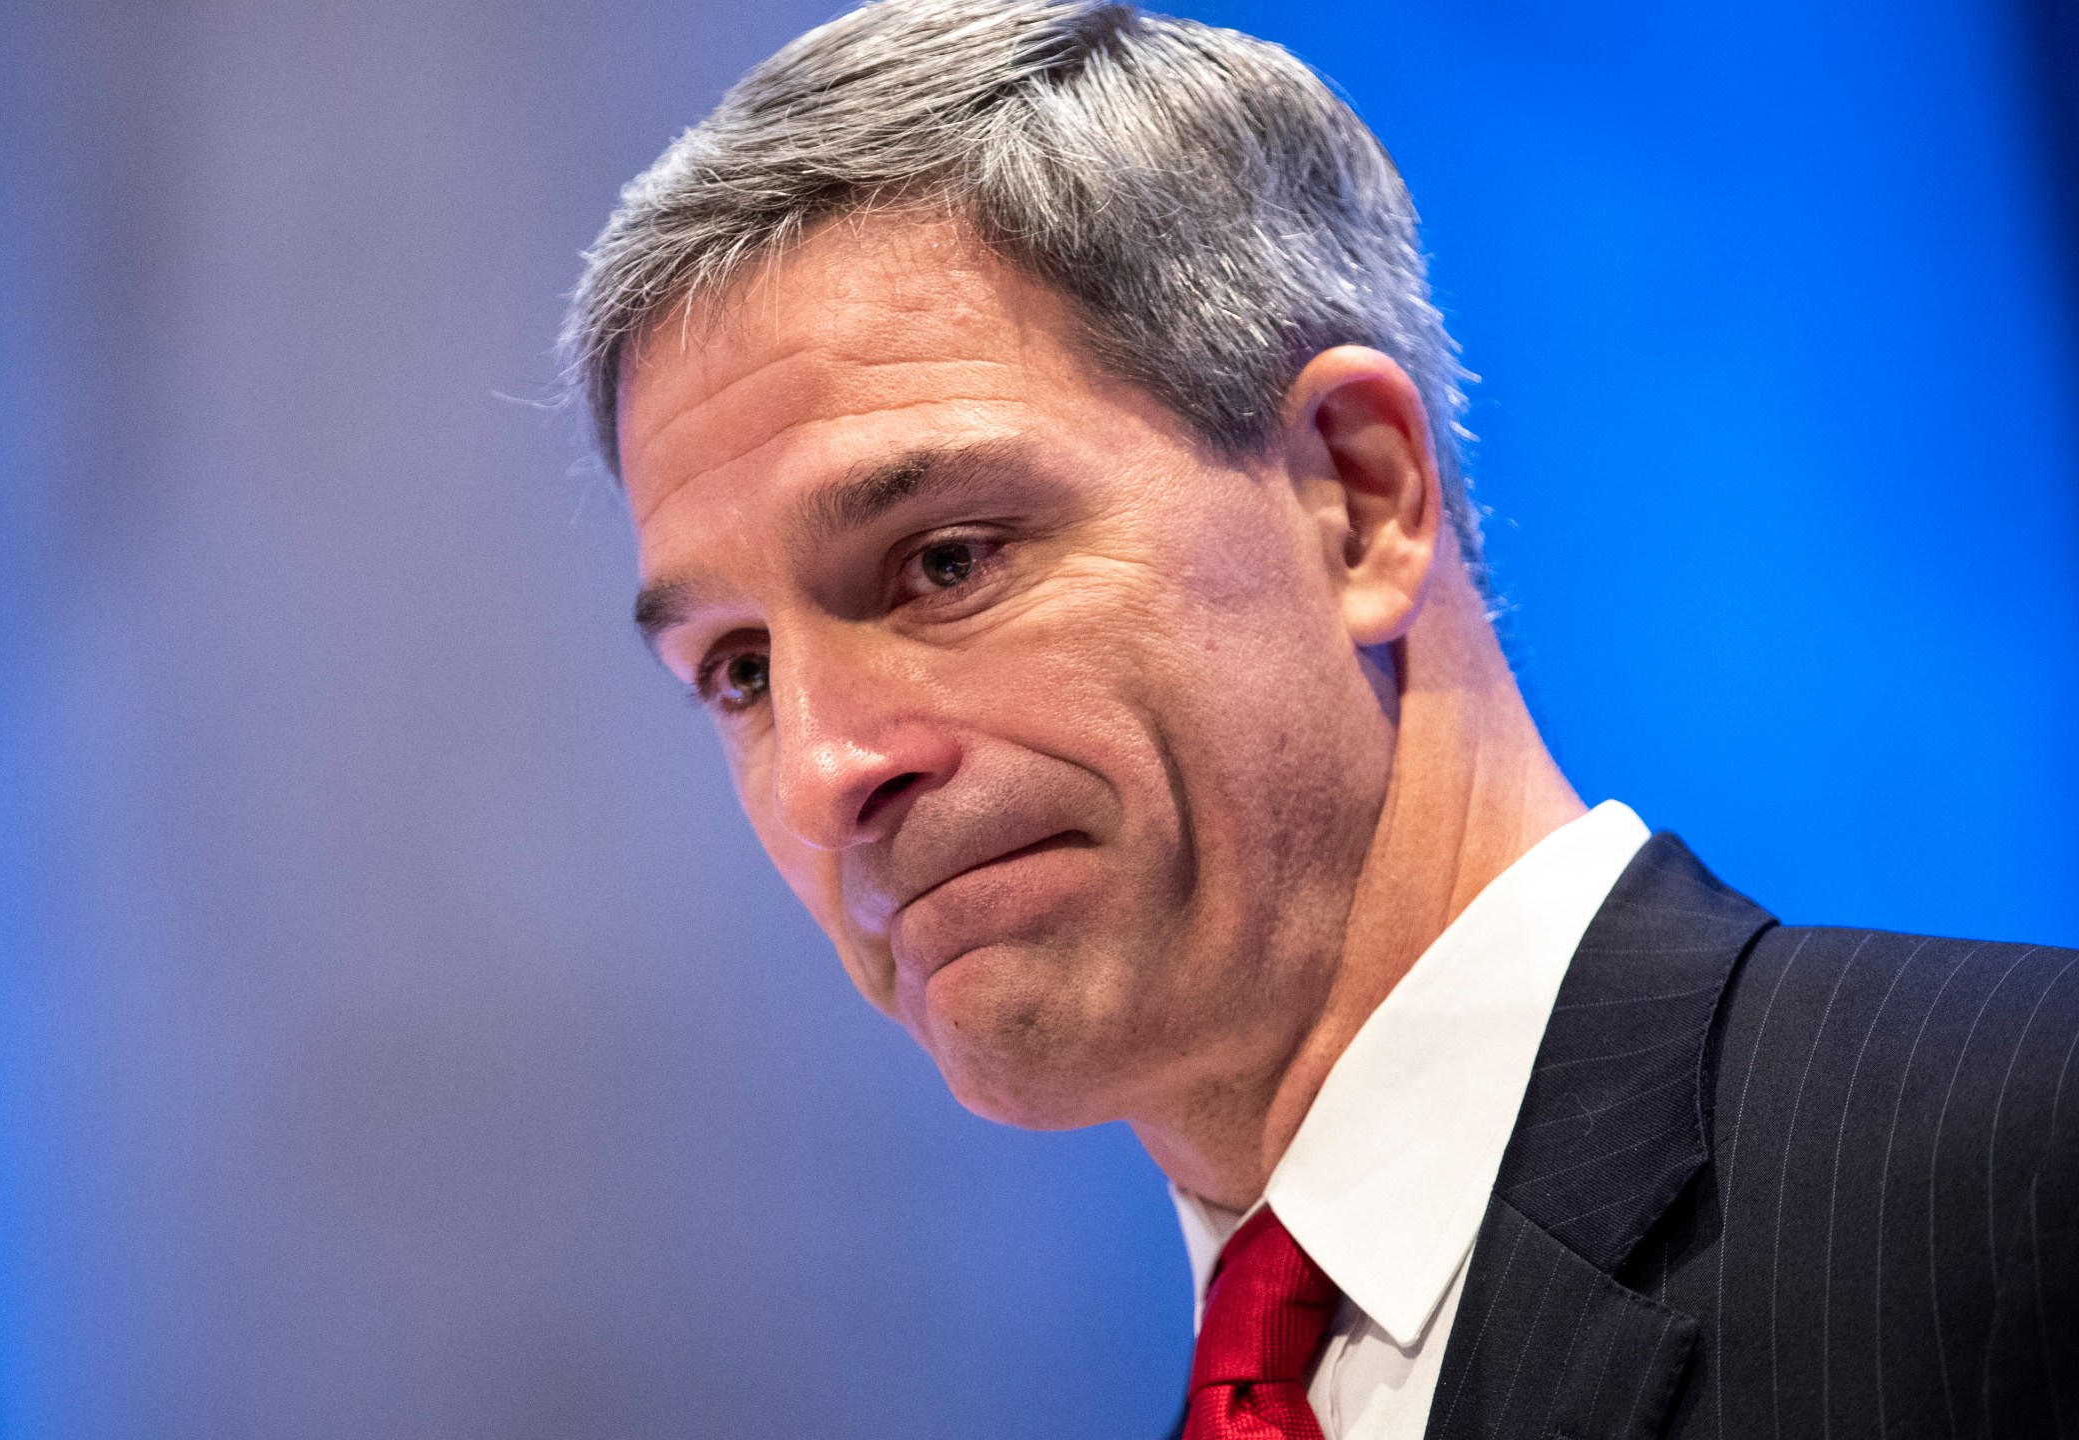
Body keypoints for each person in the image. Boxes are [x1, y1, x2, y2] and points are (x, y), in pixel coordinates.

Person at [559, 2, 2079, 1436]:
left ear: (1360, 501)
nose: (829, 772)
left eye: (945, 561)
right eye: (740, 671)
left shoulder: (2026, 1165)